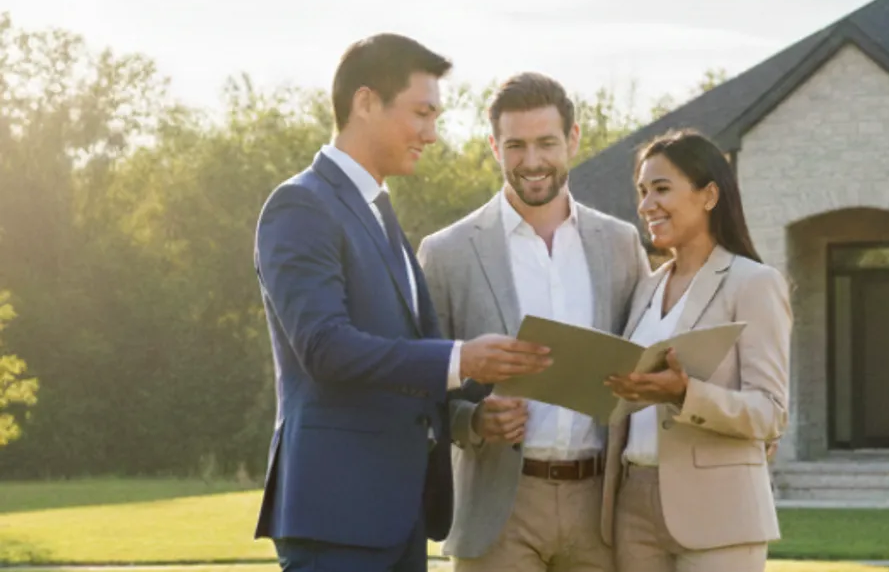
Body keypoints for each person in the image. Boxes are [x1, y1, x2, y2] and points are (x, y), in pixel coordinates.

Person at [252, 33, 551, 572]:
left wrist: (491, 398)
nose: (432, 134)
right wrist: (461, 359)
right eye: (422, 113)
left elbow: (409, 351)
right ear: (365, 102)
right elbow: (325, 347)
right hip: (337, 514)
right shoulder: (301, 206)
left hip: (399, 511)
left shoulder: (377, 211)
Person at [416, 72, 649, 571]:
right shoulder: (447, 253)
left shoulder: (621, 244)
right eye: (515, 145)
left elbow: (648, 361)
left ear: (574, 139)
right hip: (498, 510)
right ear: (494, 147)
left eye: (547, 142)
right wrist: (474, 421)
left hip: (601, 510)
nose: (532, 161)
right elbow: (419, 385)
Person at [600, 129, 792, 572]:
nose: (648, 205)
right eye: (643, 192)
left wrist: (685, 395)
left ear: (708, 196)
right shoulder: (645, 289)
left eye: (662, 189)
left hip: (720, 513)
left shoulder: (754, 283)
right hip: (634, 508)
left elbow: (771, 412)